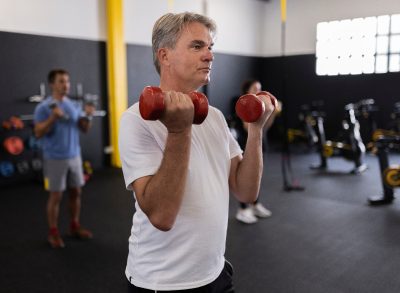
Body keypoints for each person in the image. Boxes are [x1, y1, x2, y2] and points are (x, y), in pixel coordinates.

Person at [119, 12, 276, 292]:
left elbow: (246, 192)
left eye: (210, 47)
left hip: (216, 273)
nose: (209, 55)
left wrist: (255, 129)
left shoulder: (213, 116)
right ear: (164, 56)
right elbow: (162, 216)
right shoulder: (136, 120)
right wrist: (179, 132)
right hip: (163, 282)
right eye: (197, 46)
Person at [34, 69, 95, 248]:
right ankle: (53, 233)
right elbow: (37, 132)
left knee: (76, 192)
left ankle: (74, 226)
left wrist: (89, 115)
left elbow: (84, 129)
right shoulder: (43, 107)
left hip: (74, 155)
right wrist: (53, 117)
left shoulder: (73, 105)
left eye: (67, 81)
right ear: (52, 84)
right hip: (54, 158)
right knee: (56, 196)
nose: (65, 85)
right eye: (61, 81)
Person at [232, 79, 281, 224]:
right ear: (247, 90)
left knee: (256, 175)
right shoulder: (244, 103)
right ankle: (243, 210)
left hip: (259, 141)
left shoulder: (259, 106)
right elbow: (248, 128)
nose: (257, 91)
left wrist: (271, 113)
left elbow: (266, 126)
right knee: (242, 176)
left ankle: (254, 205)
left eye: (259, 88)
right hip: (245, 143)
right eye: (254, 88)